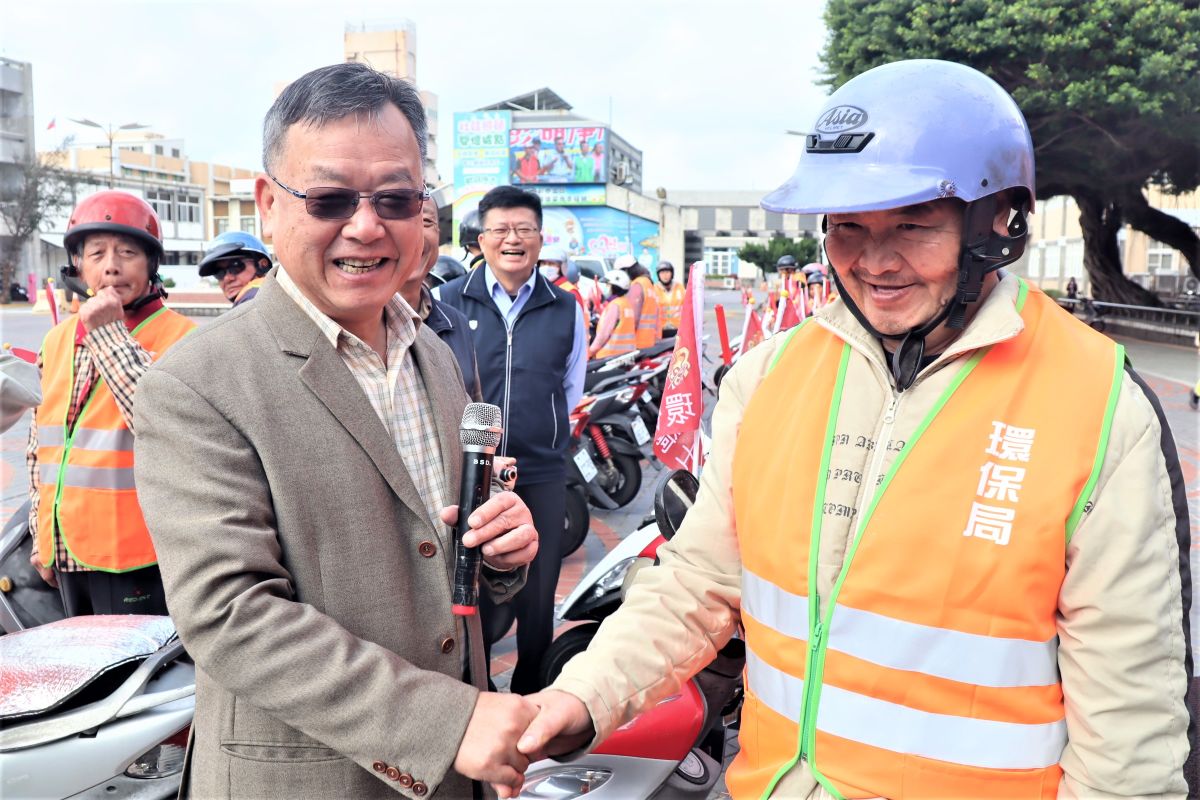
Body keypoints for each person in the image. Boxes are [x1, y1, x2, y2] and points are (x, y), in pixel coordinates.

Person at [519, 59, 1194, 799]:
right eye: (847, 228)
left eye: (912, 225)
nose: (875, 263)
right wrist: (581, 696)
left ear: (997, 223)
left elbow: (1129, 720)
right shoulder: (769, 376)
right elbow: (698, 582)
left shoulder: (1098, 405)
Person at [132, 63, 541, 799]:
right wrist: (446, 723)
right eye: (329, 200)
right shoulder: (200, 382)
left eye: (395, 198)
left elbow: (445, 548)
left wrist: (500, 550)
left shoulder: (435, 354)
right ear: (269, 205)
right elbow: (232, 615)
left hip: (458, 777)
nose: (366, 225)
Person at [436, 184, 588, 696]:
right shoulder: (449, 301)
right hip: (469, 472)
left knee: (538, 596)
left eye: (524, 229)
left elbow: (570, 388)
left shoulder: (566, 307)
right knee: (468, 588)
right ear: (481, 239)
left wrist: (542, 433)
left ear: (541, 239)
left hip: (540, 471)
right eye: (500, 229)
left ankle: (530, 696)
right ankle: (477, 695)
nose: (513, 239)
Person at [27, 190, 196, 616]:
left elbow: (161, 427)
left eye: (127, 252)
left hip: (138, 556)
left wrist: (108, 334)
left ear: (151, 264)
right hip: (65, 552)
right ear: (77, 265)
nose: (111, 266)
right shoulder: (57, 339)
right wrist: (42, 534)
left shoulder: (185, 339)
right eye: (96, 253)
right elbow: (39, 447)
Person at [400, 195, 481, 401]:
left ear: (438, 233)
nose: (415, 234)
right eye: (402, 218)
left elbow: (473, 402)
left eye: (426, 222)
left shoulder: (456, 323)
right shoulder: (353, 323)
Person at [197, 230, 272, 305]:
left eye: (236, 267)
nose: (227, 278)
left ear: (262, 265)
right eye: (219, 272)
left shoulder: (256, 297)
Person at [615, 254, 661, 348]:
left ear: (626, 271)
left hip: (637, 341)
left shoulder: (636, 285)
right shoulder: (647, 283)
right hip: (649, 340)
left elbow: (633, 317)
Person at [588, 269, 636, 358]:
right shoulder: (626, 304)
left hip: (609, 356)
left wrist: (590, 352)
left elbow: (604, 334)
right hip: (626, 355)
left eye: (608, 285)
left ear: (615, 287)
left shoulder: (615, 305)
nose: (606, 287)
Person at [538, 244, 584, 311]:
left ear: (562, 267)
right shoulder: (540, 287)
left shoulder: (570, 292)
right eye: (543, 263)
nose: (546, 267)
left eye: (551, 263)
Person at [653, 260, 685, 334]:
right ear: (658, 275)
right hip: (661, 330)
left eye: (667, 272)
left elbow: (687, 307)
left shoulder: (680, 288)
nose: (665, 275)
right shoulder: (654, 289)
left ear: (672, 273)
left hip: (678, 329)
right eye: (662, 273)